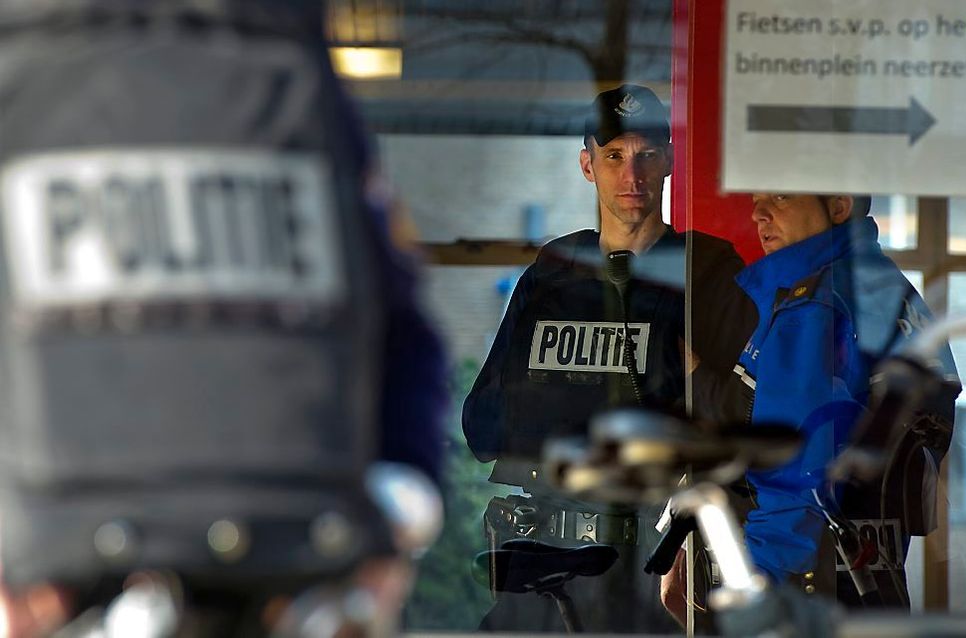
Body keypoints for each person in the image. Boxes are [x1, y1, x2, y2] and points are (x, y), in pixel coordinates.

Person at [0, 1, 446, 635]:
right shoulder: (288, 69)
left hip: (72, 577)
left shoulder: (22, 70)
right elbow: (402, 328)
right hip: (290, 570)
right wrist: (400, 509)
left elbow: (398, 326)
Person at [462, 84, 754, 632]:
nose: (632, 176)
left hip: (652, 563)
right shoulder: (555, 271)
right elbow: (482, 424)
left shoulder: (706, 271)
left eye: (646, 155)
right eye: (614, 156)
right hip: (539, 557)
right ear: (587, 165)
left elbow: (746, 421)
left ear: (669, 161)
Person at [661, 193, 957, 621]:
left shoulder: (814, 307)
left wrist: (752, 591)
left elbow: (796, 476)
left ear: (838, 205)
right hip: (875, 581)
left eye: (780, 196)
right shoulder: (891, 292)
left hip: (808, 589)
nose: (758, 212)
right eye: (758, 197)